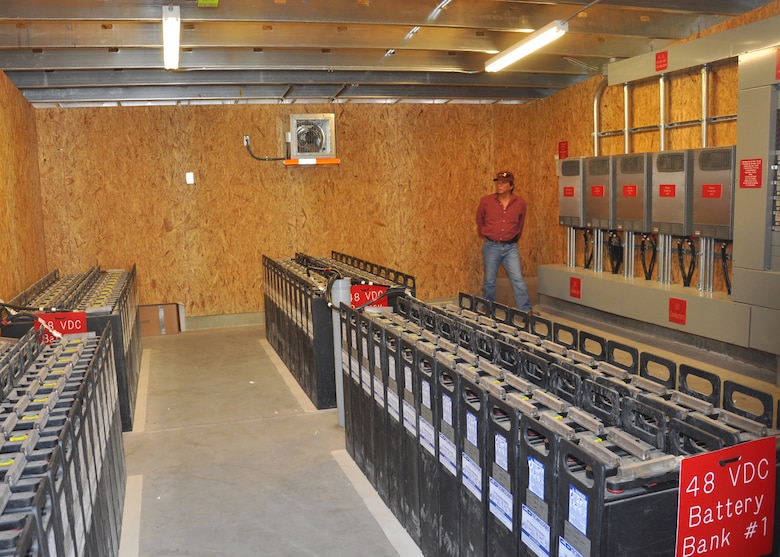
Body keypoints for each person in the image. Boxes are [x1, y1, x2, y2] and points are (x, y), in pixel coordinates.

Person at [475, 170, 534, 313]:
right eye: (498, 182)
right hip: (491, 246)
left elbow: (520, 224)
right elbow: (479, 219)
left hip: (510, 247)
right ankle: (487, 307)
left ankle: (526, 311)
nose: (499, 185)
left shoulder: (519, 203)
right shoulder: (487, 201)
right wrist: (485, 233)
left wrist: (513, 238)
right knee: (489, 280)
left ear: (511, 186)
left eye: (503, 183)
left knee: (518, 279)